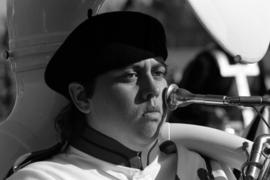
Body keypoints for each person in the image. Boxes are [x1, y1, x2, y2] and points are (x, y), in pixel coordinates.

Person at [6, 11, 234, 180]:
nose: (153, 89)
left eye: (158, 72)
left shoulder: (206, 167)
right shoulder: (42, 177)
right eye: (131, 76)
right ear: (82, 97)